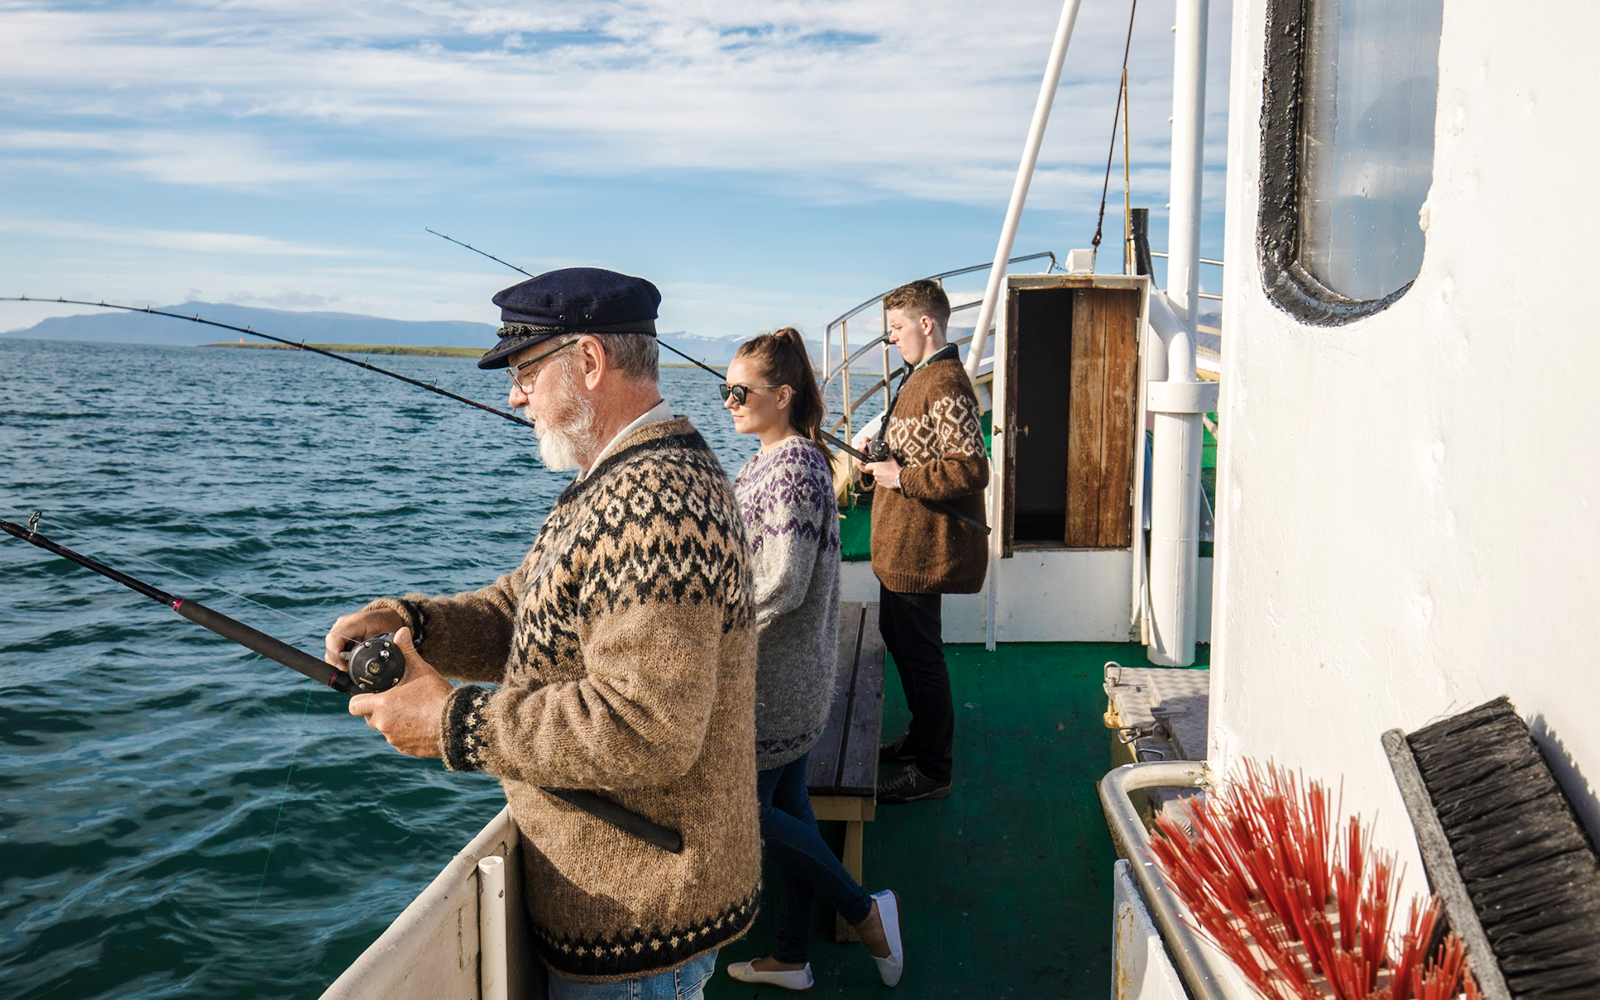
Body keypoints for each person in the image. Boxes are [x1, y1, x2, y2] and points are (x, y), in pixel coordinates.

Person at [323, 267, 761, 1000]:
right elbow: (517, 611)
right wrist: (415, 624)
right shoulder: (616, 481)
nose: (513, 395)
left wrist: (452, 723)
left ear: (590, 363)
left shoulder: (654, 505)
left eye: (525, 371)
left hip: (640, 933)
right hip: (623, 914)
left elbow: (647, 727)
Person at [717, 329, 905, 992]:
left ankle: (863, 911)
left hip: (775, 676)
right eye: (725, 389)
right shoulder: (779, 460)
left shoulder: (792, 465)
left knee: (736, 811)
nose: (729, 401)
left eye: (741, 391)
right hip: (790, 670)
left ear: (783, 395)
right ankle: (792, 956)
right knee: (792, 808)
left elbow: (785, 581)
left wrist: (713, 631)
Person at [854, 279, 989, 805]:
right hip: (902, 548)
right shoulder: (919, 377)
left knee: (920, 653)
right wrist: (876, 468)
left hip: (922, 550)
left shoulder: (946, 383)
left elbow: (971, 469)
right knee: (902, 639)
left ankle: (934, 769)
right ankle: (921, 738)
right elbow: (903, 456)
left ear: (925, 324)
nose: (891, 339)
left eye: (895, 327)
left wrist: (902, 478)